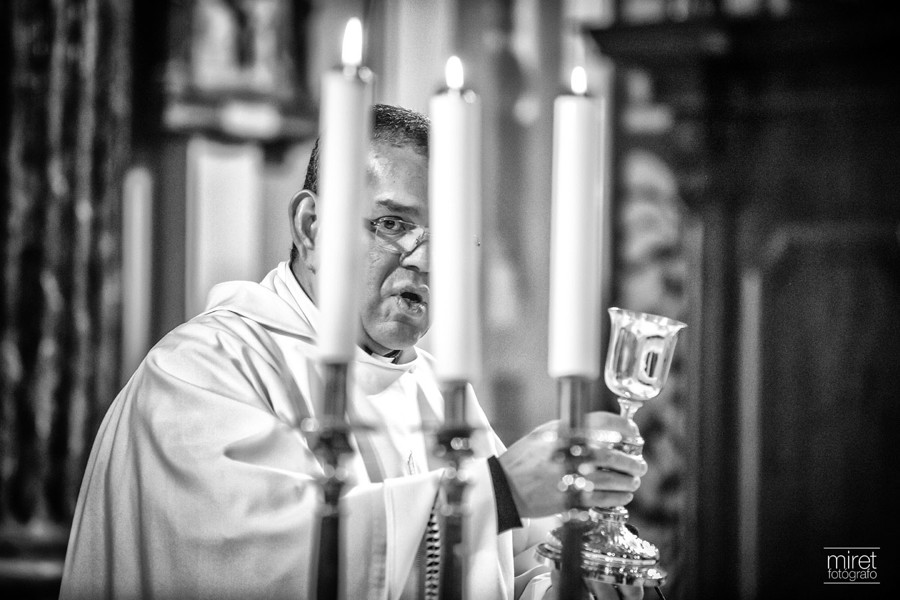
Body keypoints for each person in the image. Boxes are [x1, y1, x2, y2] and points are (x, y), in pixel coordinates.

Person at [60, 104, 646, 600]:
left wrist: (586, 577)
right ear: (311, 227)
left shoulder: (442, 395)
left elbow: (513, 569)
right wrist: (498, 491)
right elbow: (258, 568)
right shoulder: (201, 371)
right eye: (393, 223)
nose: (424, 261)